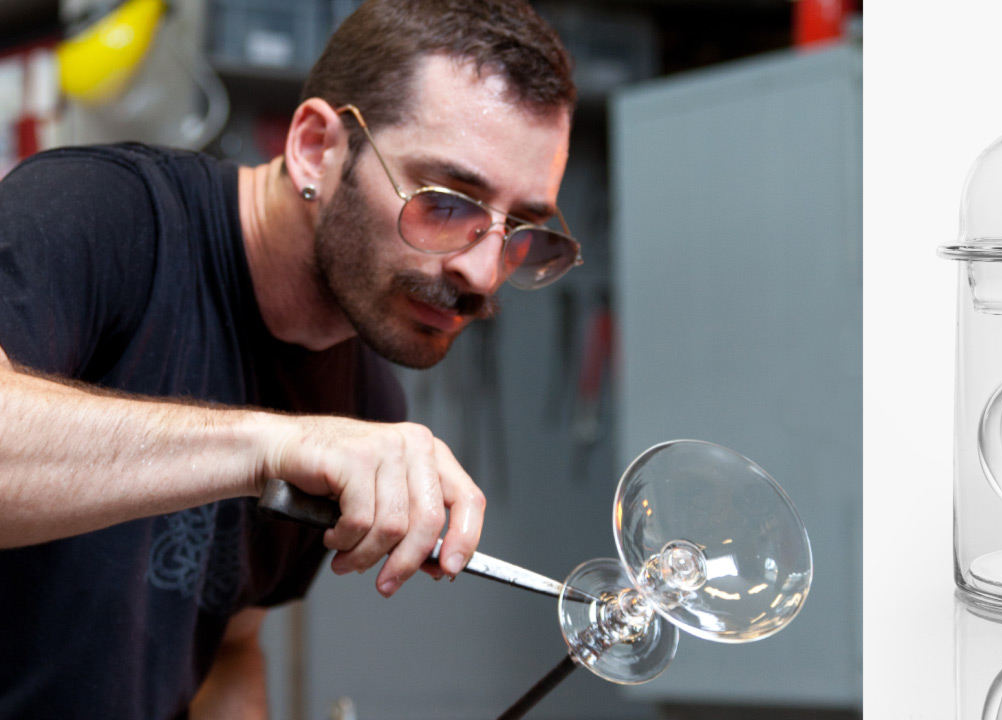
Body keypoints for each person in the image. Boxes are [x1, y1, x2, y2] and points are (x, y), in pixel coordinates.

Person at [0, 0, 579, 717]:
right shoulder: (105, 214)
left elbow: (231, 647)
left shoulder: (364, 403)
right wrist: (277, 445)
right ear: (315, 148)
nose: (484, 273)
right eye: (447, 200)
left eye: (521, 228)